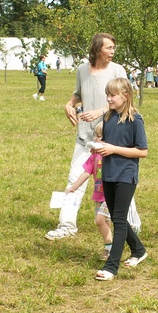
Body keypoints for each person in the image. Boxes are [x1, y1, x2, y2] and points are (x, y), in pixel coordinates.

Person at [45, 32, 142, 240]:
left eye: (113, 48)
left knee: (119, 182)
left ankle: (132, 225)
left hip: (111, 138)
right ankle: (66, 225)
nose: (112, 51)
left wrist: (100, 111)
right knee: (74, 179)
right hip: (85, 138)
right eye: (109, 48)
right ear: (97, 49)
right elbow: (79, 93)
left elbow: (126, 98)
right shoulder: (82, 70)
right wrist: (69, 104)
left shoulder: (118, 70)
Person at [94, 77, 148, 281]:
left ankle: (112, 266)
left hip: (125, 175)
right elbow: (108, 143)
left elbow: (142, 151)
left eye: (112, 95)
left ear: (126, 96)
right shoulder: (108, 118)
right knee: (119, 218)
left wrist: (113, 149)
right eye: (107, 95)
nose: (108, 99)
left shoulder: (136, 120)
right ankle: (139, 250)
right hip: (108, 174)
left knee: (117, 220)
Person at [65, 122, 112, 261]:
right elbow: (86, 172)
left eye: (101, 137)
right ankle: (108, 247)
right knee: (105, 222)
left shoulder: (111, 156)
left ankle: (111, 246)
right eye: (96, 136)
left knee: (99, 220)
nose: (97, 140)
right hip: (99, 195)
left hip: (110, 195)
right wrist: (74, 186)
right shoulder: (94, 156)